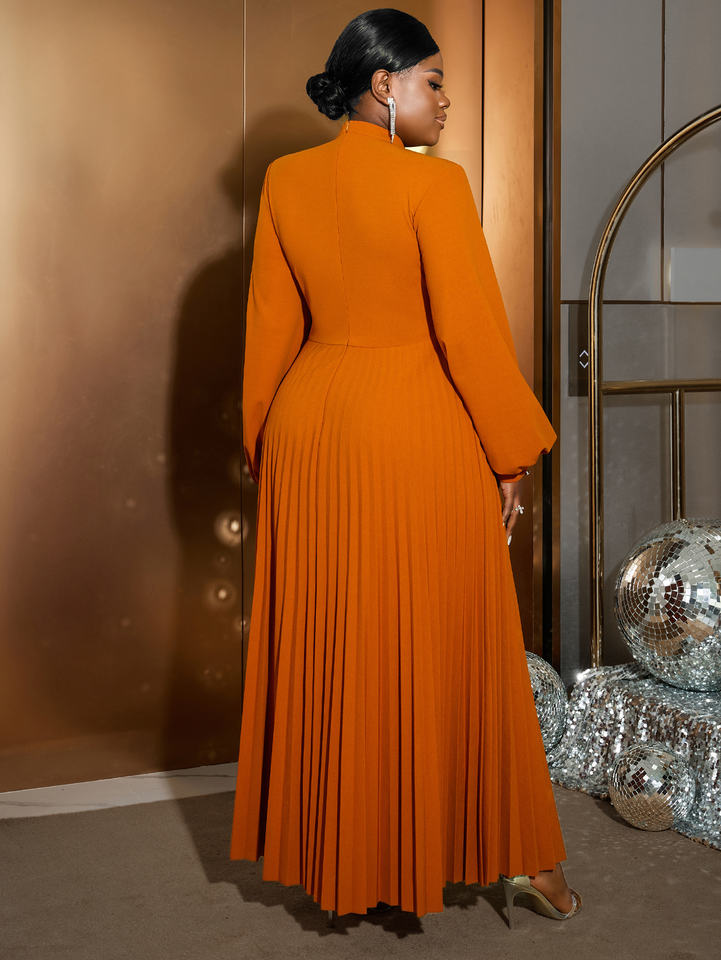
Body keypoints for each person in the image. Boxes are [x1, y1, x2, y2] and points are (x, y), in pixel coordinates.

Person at [229, 7, 582, 926]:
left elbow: (269, 325)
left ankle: (341, 858)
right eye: (433, 81)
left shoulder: (285, 179)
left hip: (308, 425)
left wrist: (264, 443)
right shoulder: (434, 184)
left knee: (340, 644)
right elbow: (469, 334)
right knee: (452, 640)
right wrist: (510, 454)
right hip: (412, 426)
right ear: (382, 86)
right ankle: (522, 860)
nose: (444, 99)